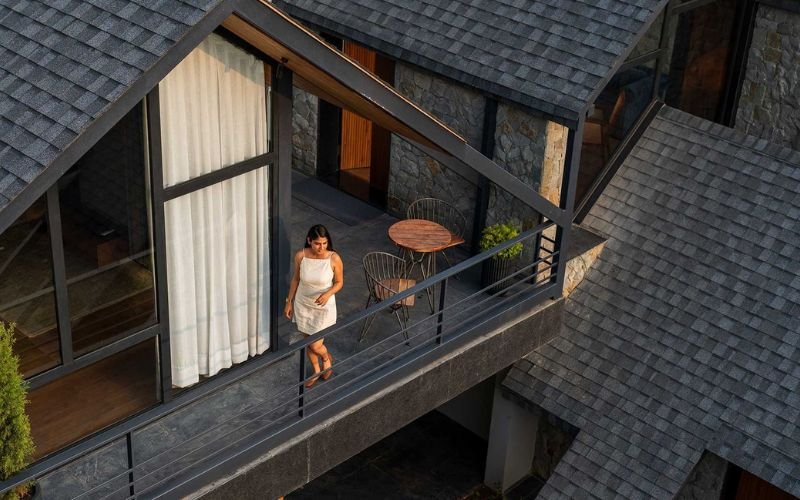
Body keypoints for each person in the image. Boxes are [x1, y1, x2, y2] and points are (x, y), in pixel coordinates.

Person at [284, 224, 343, 388]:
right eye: (317, 243)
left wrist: (328, 294)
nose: (321, 247)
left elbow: (339, 282)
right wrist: (289, 302)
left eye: (324, 243)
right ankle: (316, 370)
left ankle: (326, 358)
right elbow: (295, 279)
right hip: (303, 304)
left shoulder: (334, 258)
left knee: (315, 344)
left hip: (323, 307)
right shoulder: (301, 256)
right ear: (309, 240)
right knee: (308, 341)